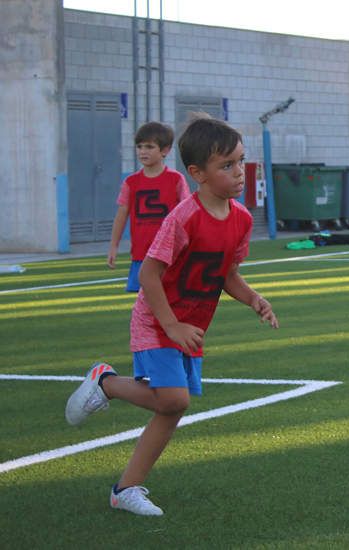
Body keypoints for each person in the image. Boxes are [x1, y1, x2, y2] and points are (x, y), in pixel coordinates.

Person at [64, 116, 279, 516]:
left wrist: (253, 299)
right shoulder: (183, 217)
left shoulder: (243, 219)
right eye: (226, 166)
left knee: (172, 406)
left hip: (189, 326)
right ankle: (106, 383)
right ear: (197, 173)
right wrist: (170, 325)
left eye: (240, 161)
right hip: (158, 320)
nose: (238, 173)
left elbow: (227, 274)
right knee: (174, 399)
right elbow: (148, 274)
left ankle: (125, 489)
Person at [108, 122, 191, 292]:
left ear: (165, 150)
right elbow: (122, 215)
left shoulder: (176, 180)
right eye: (139, 146)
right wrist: (113, 246)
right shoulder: (131, 183)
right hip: (141, 254)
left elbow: (188, 214)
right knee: (144, 305)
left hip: (170, 255)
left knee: (170, 299)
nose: (142, 151)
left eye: (149, 146)